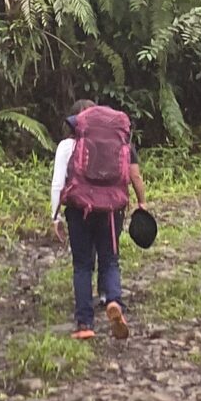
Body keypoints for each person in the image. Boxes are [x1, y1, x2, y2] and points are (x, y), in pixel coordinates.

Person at [50, 99, 146, 340]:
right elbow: (133, 175)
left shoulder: (67, 145)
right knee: (110, 261)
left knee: (82, 265)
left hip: (79, 208)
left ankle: (85, 324)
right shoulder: (118, 142)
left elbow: (58, 183)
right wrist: (141, 203)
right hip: (112, 208)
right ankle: (114, 301)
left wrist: (55, 217)